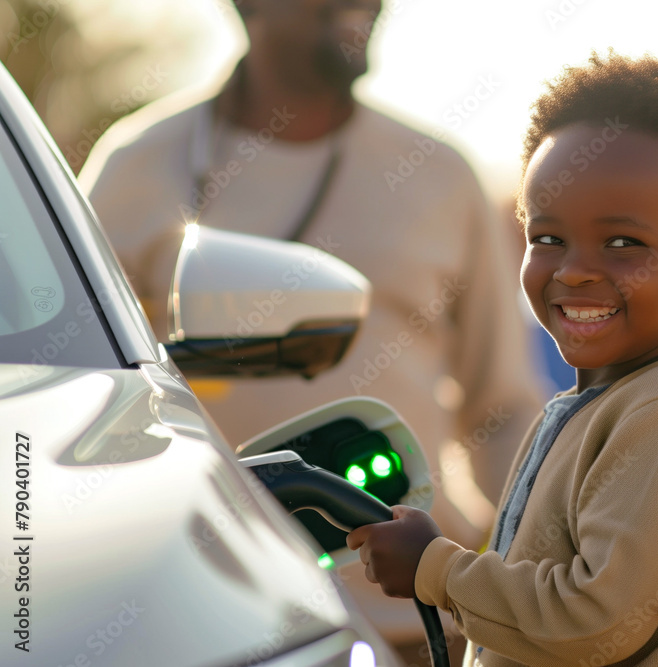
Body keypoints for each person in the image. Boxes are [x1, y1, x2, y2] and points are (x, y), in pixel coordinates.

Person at [79, 0, 546, 660]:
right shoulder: (135, 167)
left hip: (415, 629)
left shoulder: (441, 177)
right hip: (203, 631)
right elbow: (79, 403)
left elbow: (500, 408)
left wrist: (540, 575)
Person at [346, 51, 658, 666]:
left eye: (624, 243)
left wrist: (437, 568)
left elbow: (595, 620)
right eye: (547, 238)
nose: (574, 270)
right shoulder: (594, 406)